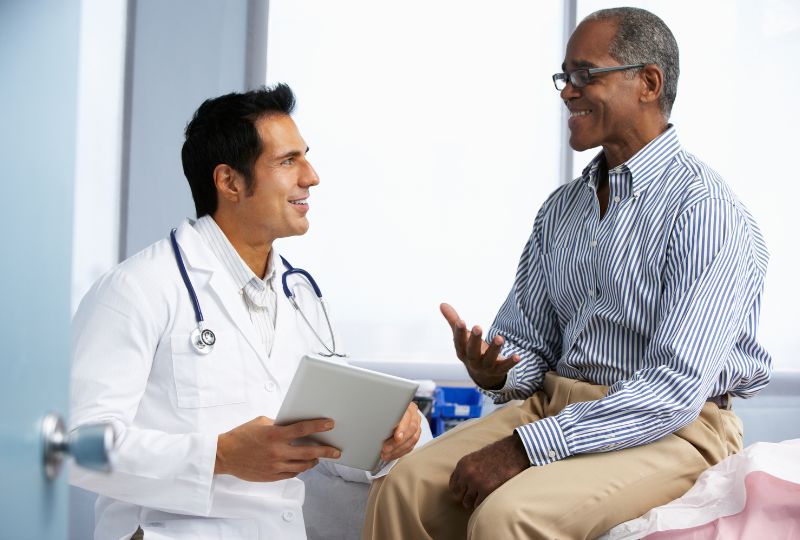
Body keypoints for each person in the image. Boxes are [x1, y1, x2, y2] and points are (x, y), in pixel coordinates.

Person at [362, 7, 771, 540]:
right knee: (402, 486)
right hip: (552, 407)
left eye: (585, 75)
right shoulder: (561, 209)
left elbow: (673, 389)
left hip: (673, 427)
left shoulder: (705, 211)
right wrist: (498, 371)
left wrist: (525, 448)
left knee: (507, 516)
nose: (567, 92)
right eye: (565, 77)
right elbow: (532, 344)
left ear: (649, 83)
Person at [70, 84, 423, 540]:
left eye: (305, 157)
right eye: (288, 161)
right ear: (230, 182)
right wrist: (218, 456)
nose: (312, 177)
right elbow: (77, 447)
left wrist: (387, 435)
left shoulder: (302, 297)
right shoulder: (136, 289)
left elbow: (325, 441)